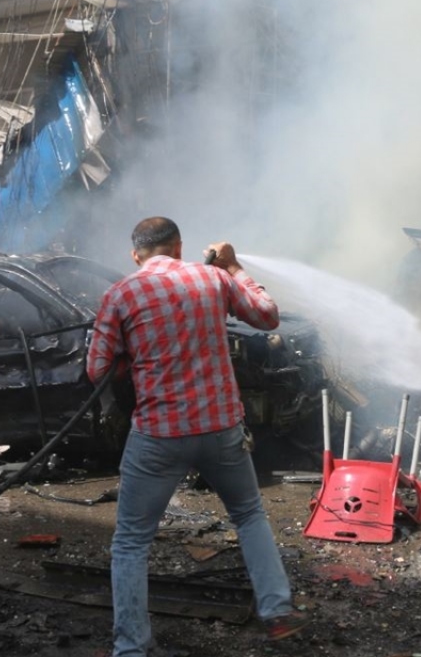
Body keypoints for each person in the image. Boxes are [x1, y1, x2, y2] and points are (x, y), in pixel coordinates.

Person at [86, 217, 308, 657]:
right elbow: (267, 316)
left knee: (131, 541)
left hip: (158, 434)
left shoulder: (121, 294)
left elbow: (97, 371)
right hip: (220, 428)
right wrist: (234, 267)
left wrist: (133, 360)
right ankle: (278, 611)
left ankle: (131, 648)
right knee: (248, 516)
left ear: (136, 255)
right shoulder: (212, 278)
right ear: (179, 246)